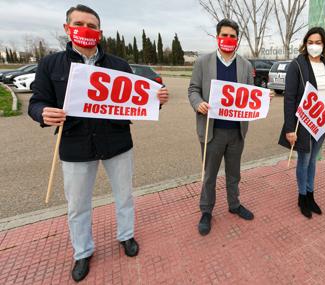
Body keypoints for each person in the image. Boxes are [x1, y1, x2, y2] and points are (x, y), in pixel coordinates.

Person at [27, 5, 169, 282]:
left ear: (100, 33)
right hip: (74, 146)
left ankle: (126, 236)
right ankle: (82, 251)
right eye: (79, 23)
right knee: (78, 205)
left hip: (117, 143)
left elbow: (135, 101)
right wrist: (42, 113)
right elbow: (36, 102)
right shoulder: (51, 64)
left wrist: (156, 101)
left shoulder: (119, 66)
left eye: (92, 26)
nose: (86, 29)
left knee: (125, 195)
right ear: (67, 28)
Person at [188, 19, 261, 236]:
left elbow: (250, 95)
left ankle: (234, 204)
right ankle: (206, 210)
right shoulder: (203, 62)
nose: (228, 39)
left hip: (236, 131)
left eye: (232, 36)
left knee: (234, 172)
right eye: (224, 35)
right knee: (209, 174)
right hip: (212, 131)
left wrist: (261, 101)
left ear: (237, 40)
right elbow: (193, 89)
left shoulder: (246, 66)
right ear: (217, 37)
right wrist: (197, 103)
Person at [278, 27, 325, 218]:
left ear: (324, 45)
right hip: (303, 122)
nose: (314, 46)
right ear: (305, 44)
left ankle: (310, 194)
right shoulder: (297, 65)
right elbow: (289, 98)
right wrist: (290, 128)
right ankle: (302, 197)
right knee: (304, 160)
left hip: (321, 122)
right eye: (310, 42)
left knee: (313, 160)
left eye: (318, 42)